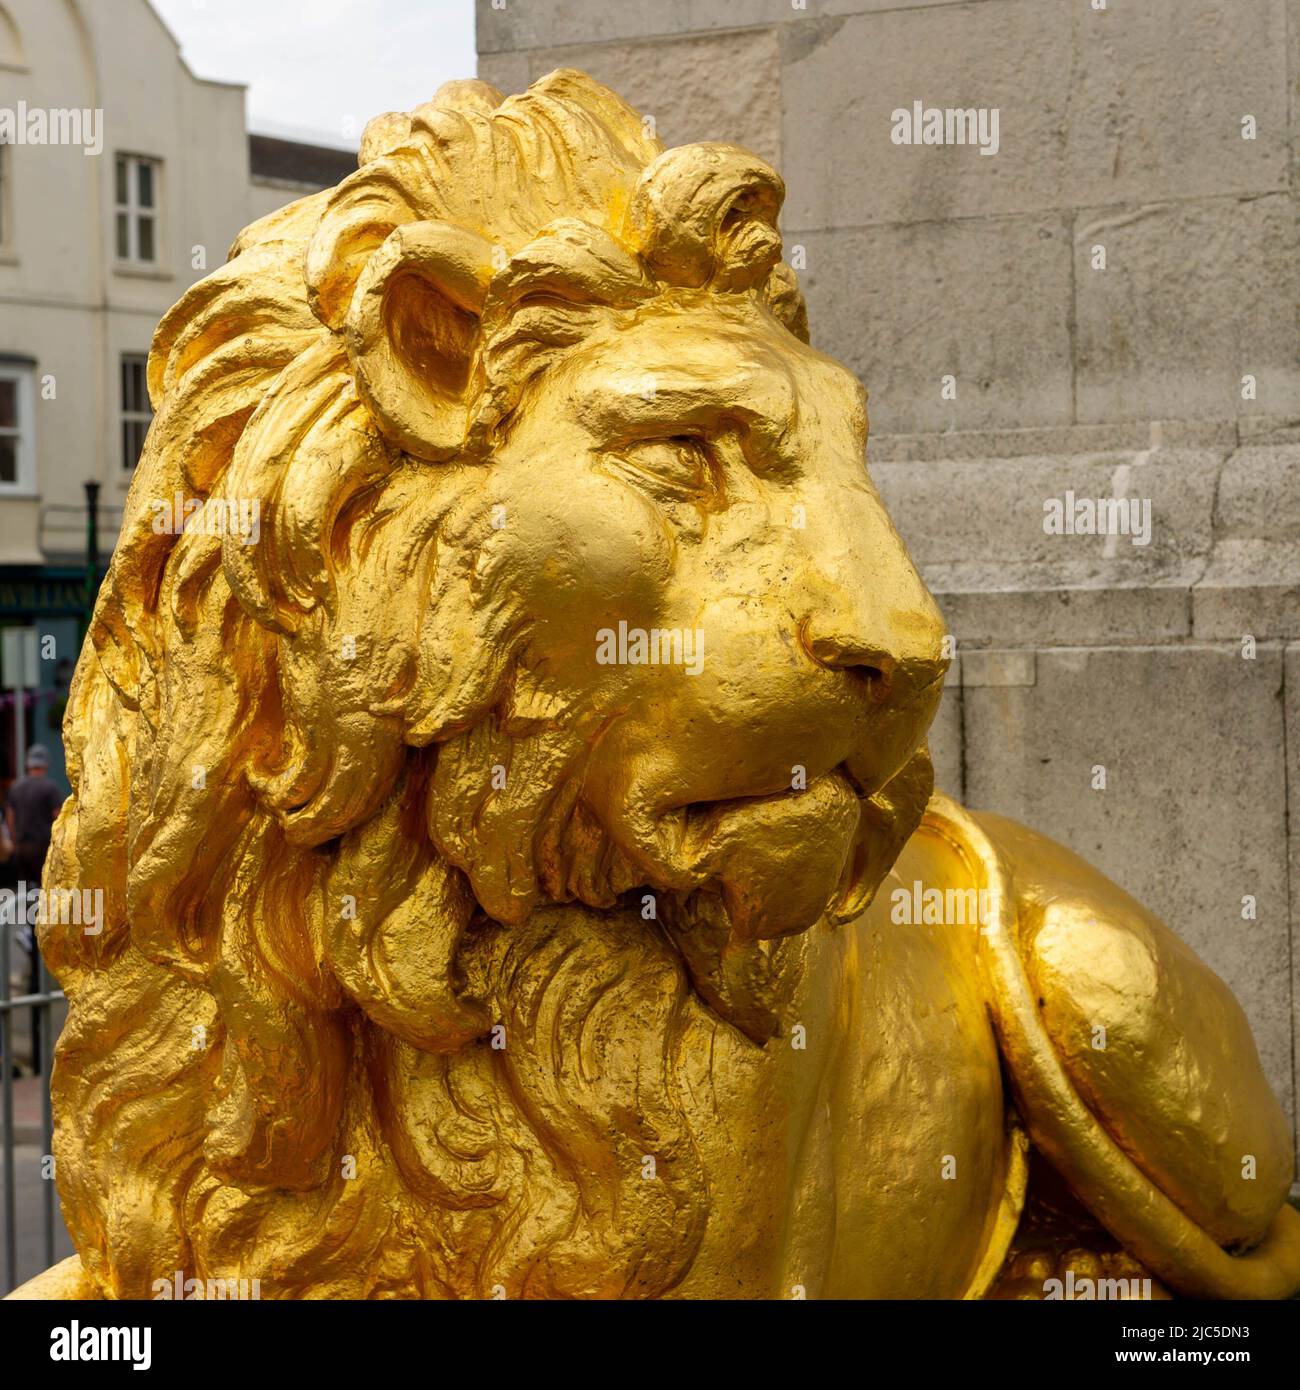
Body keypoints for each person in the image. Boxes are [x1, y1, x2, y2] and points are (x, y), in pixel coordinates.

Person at [5, 745, 62, 1073]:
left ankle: (29, 933)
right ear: (45, 764)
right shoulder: (50, 787)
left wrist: (15, 841)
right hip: (43, 849)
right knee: (43, 897)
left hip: (23, 849)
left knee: (25, 897)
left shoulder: (17, 787)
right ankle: (39, 934)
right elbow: (58, 817)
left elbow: (11, 817)